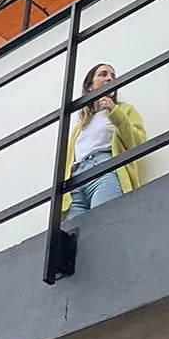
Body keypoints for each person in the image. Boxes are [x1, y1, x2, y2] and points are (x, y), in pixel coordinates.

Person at [62, 63, 146, 221]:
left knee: (102, 224)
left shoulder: (123, 110)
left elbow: (138, 143)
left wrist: (114, 111)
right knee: (74, 233)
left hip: (104, 171)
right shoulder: (80, 127)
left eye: (113, 76)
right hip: (76, 182)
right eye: (103, 74)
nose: (109, 78)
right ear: (89, 87)